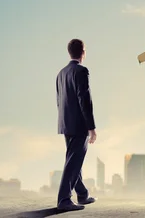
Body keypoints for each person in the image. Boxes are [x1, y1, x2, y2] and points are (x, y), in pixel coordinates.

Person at [56, 38, 97, 212]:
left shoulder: (61, 73)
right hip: (79, 124)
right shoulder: (81, 71)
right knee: (73, 162)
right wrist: (91, 127)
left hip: (65, 123)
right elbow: (84, 99)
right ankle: (64, 199)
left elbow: (59, 100)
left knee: (74, 160)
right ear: (83, 52)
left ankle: (82, 194)